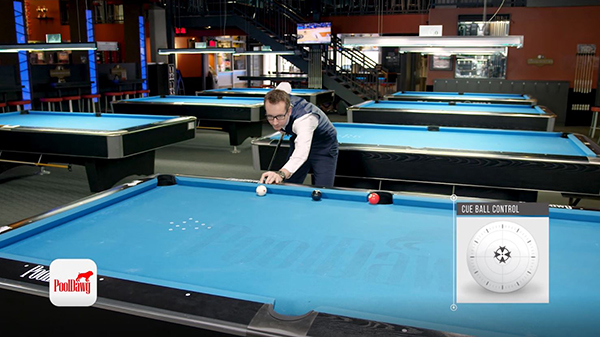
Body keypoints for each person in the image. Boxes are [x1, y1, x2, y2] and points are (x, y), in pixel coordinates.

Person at [260, 82, 338, 187]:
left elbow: (301, 152)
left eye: (280, 116)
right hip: (298, 140)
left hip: (323, 146)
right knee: (289, 184)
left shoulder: (304, 120)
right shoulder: (279, 95)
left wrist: (281, 173)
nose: (275, 122)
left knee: (323, 189)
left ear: (289, 111)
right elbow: (285, 84)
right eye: (270, 116)